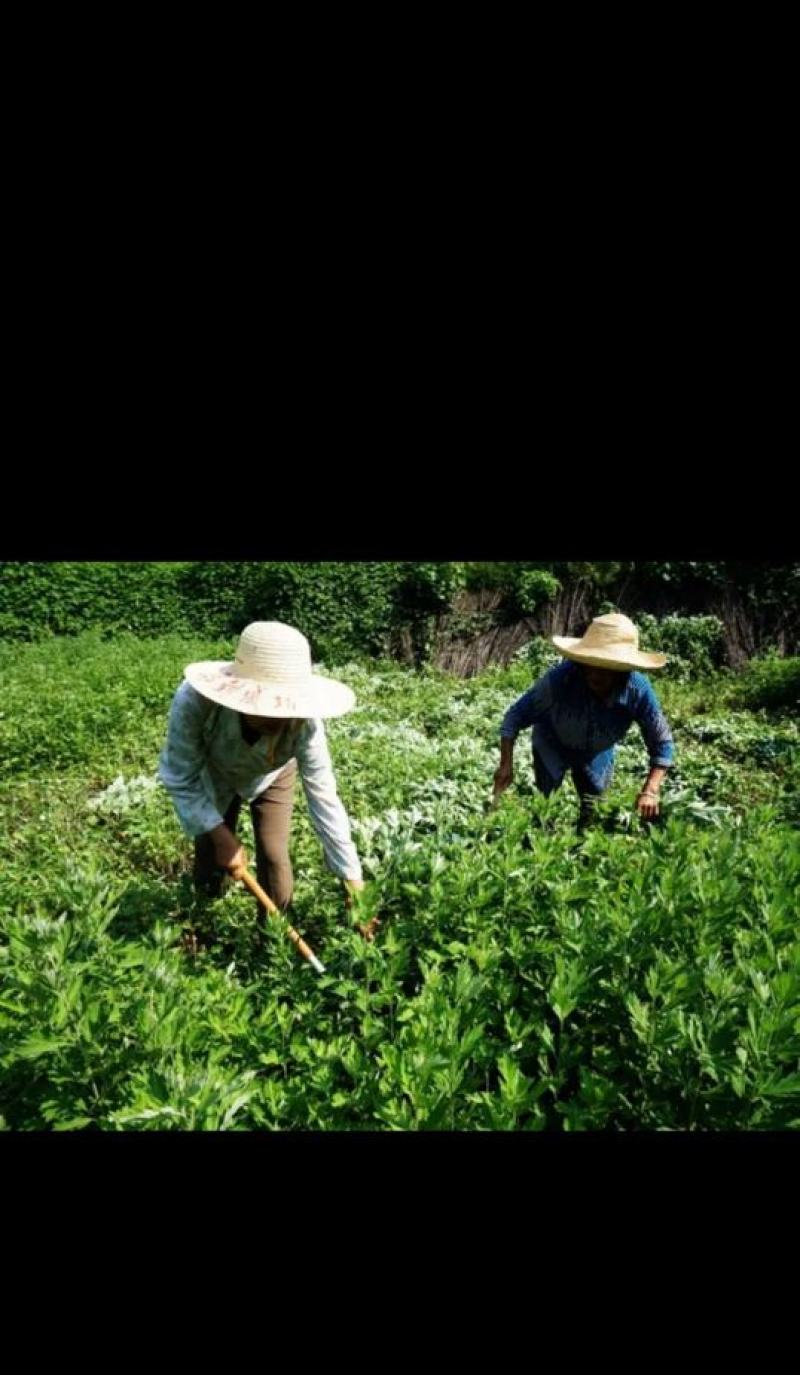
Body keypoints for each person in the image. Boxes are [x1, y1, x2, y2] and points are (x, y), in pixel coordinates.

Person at [158, 620, 370, 930]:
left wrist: (352, 878)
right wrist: (220, 836)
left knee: (274, 854)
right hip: (215, 771)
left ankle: (273, 937)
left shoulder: (304, 725)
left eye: (284, 707)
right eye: (265, 704)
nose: (277, 715)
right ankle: (202, 926)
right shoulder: (194, 701)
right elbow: (179, 775)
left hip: (274, 774)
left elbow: (323, 796)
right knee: (210, 852)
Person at [493, 613, 675, 830]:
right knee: (545, 805)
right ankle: (541, 841)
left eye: (607, 668)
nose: (596, 674)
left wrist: (650, 790)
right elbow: (515, 716)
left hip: (597, 750)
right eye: (591, 664)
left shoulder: (638, 690)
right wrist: (505, 765)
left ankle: (582, 847)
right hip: (551, 742)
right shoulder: (560, 679)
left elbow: (662, 744)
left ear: (623, 669)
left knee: (594, 810)